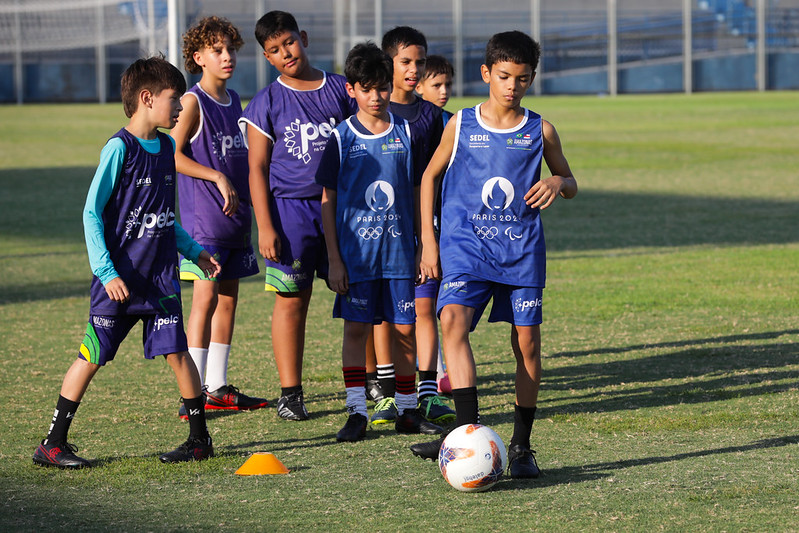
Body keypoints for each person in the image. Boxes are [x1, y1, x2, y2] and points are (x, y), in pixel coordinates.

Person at [32, 57, 221, 469]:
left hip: (160, 279)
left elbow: (162, 217)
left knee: (179, 354)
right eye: (175, 100)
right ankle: (53, 444)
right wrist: (106, 271)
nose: (180, 109)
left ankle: (199, 440)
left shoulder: (168, 147)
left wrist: (193, 250)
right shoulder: (119, 149)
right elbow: (91, 214)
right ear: (146, 98)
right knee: (92, 355)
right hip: (119, 280)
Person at [409, 31, 578, 479]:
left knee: (527, 345)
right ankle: (466, 437)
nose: (512, 86)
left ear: (532, 79)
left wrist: (558, 183)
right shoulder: (461, 124)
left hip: (521, 253)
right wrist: (429, 241)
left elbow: (571, 181)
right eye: (504, 76)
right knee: (452, 322)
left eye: (522, 78)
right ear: (486, 73)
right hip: (466, 248)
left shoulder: (540, 130)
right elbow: (429, 178)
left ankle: (522, 447)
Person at [315, 42, 444, 442]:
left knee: (405, 331)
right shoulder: (341, 137)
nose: (376, 96)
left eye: (382, 88)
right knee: (356, 331)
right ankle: (357, 411)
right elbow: (327, 201)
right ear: (351, 90)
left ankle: (407, 411)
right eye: (366, 88)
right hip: (357, 260)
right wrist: (334, 259)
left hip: (401, 256)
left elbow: (420, 189)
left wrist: (425, 244)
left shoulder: (406, 132)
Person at [239, 11, 357, 421]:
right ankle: (290, 394)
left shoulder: (341, 89)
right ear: (267, 58)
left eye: (289, 42)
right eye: (273, 50)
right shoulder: (266, 101)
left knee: (359, 299)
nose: (285, 52)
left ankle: (371, 386)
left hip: (343, 210)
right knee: (292, 302)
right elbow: (256, 167)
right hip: (290, 214)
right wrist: (265, 225)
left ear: (303, 38)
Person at [172, 16, 267, 419]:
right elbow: (172, 155)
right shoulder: (192, 102)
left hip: (235, 221)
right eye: (217, 50)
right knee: (205, 299)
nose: (227, 56)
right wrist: (216, 176)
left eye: (230, 48)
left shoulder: (236, 100)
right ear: (198, 57)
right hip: (204, 223)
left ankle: (217, 386)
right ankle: (191, 395)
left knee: (228, 299)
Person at [366, 26, 456, 428]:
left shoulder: (435, 117)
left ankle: (427, 392)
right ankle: (386, 394)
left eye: (420, 62)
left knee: (423, 309)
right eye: (406, 62)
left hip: (423, 230)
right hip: (381, 230)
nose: (415, 69)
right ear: (389, 64)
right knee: (386, 313)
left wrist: (430, 236)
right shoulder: (372, 116)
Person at [413, 52, 455, 395]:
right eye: (436, 84)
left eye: (448, 85)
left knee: (447, 304)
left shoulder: (454, 123)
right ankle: (434, 371)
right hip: (417, 223)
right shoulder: (407, 123)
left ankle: (445, 369)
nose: (443, 91)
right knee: (422, 304)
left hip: (449, 223)